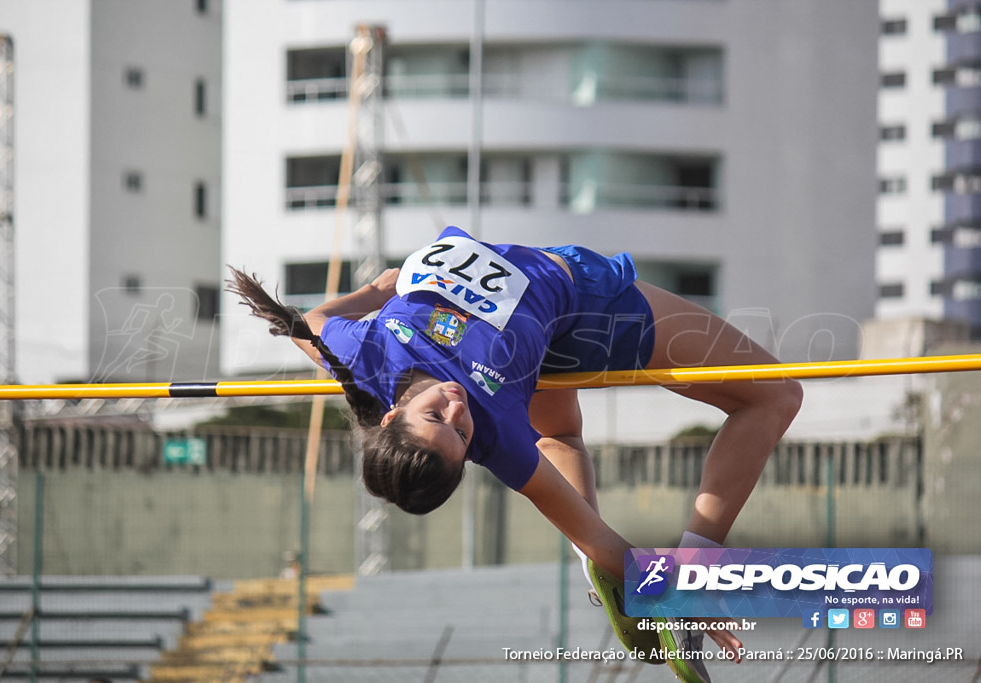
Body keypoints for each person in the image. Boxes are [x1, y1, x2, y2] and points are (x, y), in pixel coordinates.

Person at [228, 226, 802, 682]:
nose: (456, 409)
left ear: (389, 415)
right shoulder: (494, 428)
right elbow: (600, 536)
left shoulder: (361, 357)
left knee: (564, 439)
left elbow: (309, 325)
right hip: (586, 303)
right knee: (774, 395)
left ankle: (597, 572)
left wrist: (377, 291)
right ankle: (696, 559)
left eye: (436, 416)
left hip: (543, 338)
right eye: (461, 434)